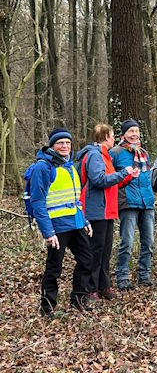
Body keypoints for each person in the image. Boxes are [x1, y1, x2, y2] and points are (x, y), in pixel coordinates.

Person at [28, 128, 95, 317]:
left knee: (87, 261)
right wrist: (48, 232)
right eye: (60, 143)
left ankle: (78, 300)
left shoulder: (69, 166)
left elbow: (75, 199)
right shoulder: (43, 167)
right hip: (57, 227)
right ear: (52, 146)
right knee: (54, 268)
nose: (65, 146)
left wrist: (85, 220)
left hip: (76, 223)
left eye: (67, 143)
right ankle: (47, 307)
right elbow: (38, 202)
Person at [76, 124, 136, 301]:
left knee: (105, 251)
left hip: (108, 210)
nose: (114, 139)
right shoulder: (95, 155)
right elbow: (99, 180)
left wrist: (127, 177)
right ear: (105, 136)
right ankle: (90, 289)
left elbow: (111, 182)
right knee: (95, 251)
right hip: (96, 211)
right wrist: (123, 172)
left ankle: (104, 286)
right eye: (112, 135)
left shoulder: (106, 156)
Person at [110, 119, 155, 290]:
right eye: (131, 132)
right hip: (127, 201)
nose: (134, 135)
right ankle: (122, 276)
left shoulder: (143, 153)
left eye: (136, 131)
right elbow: (110, 177)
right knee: (127, 242)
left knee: (148, 242)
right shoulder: (115, 152)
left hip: (147, 202)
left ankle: (144, 275)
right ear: (123, 135)